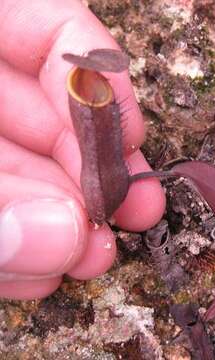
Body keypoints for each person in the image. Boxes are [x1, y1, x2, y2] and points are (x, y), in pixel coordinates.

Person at [0, 0, 166, 300]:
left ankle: (100, 214)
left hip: (107, 191)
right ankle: (98, 215)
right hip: (99, 193)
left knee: (110, 186)